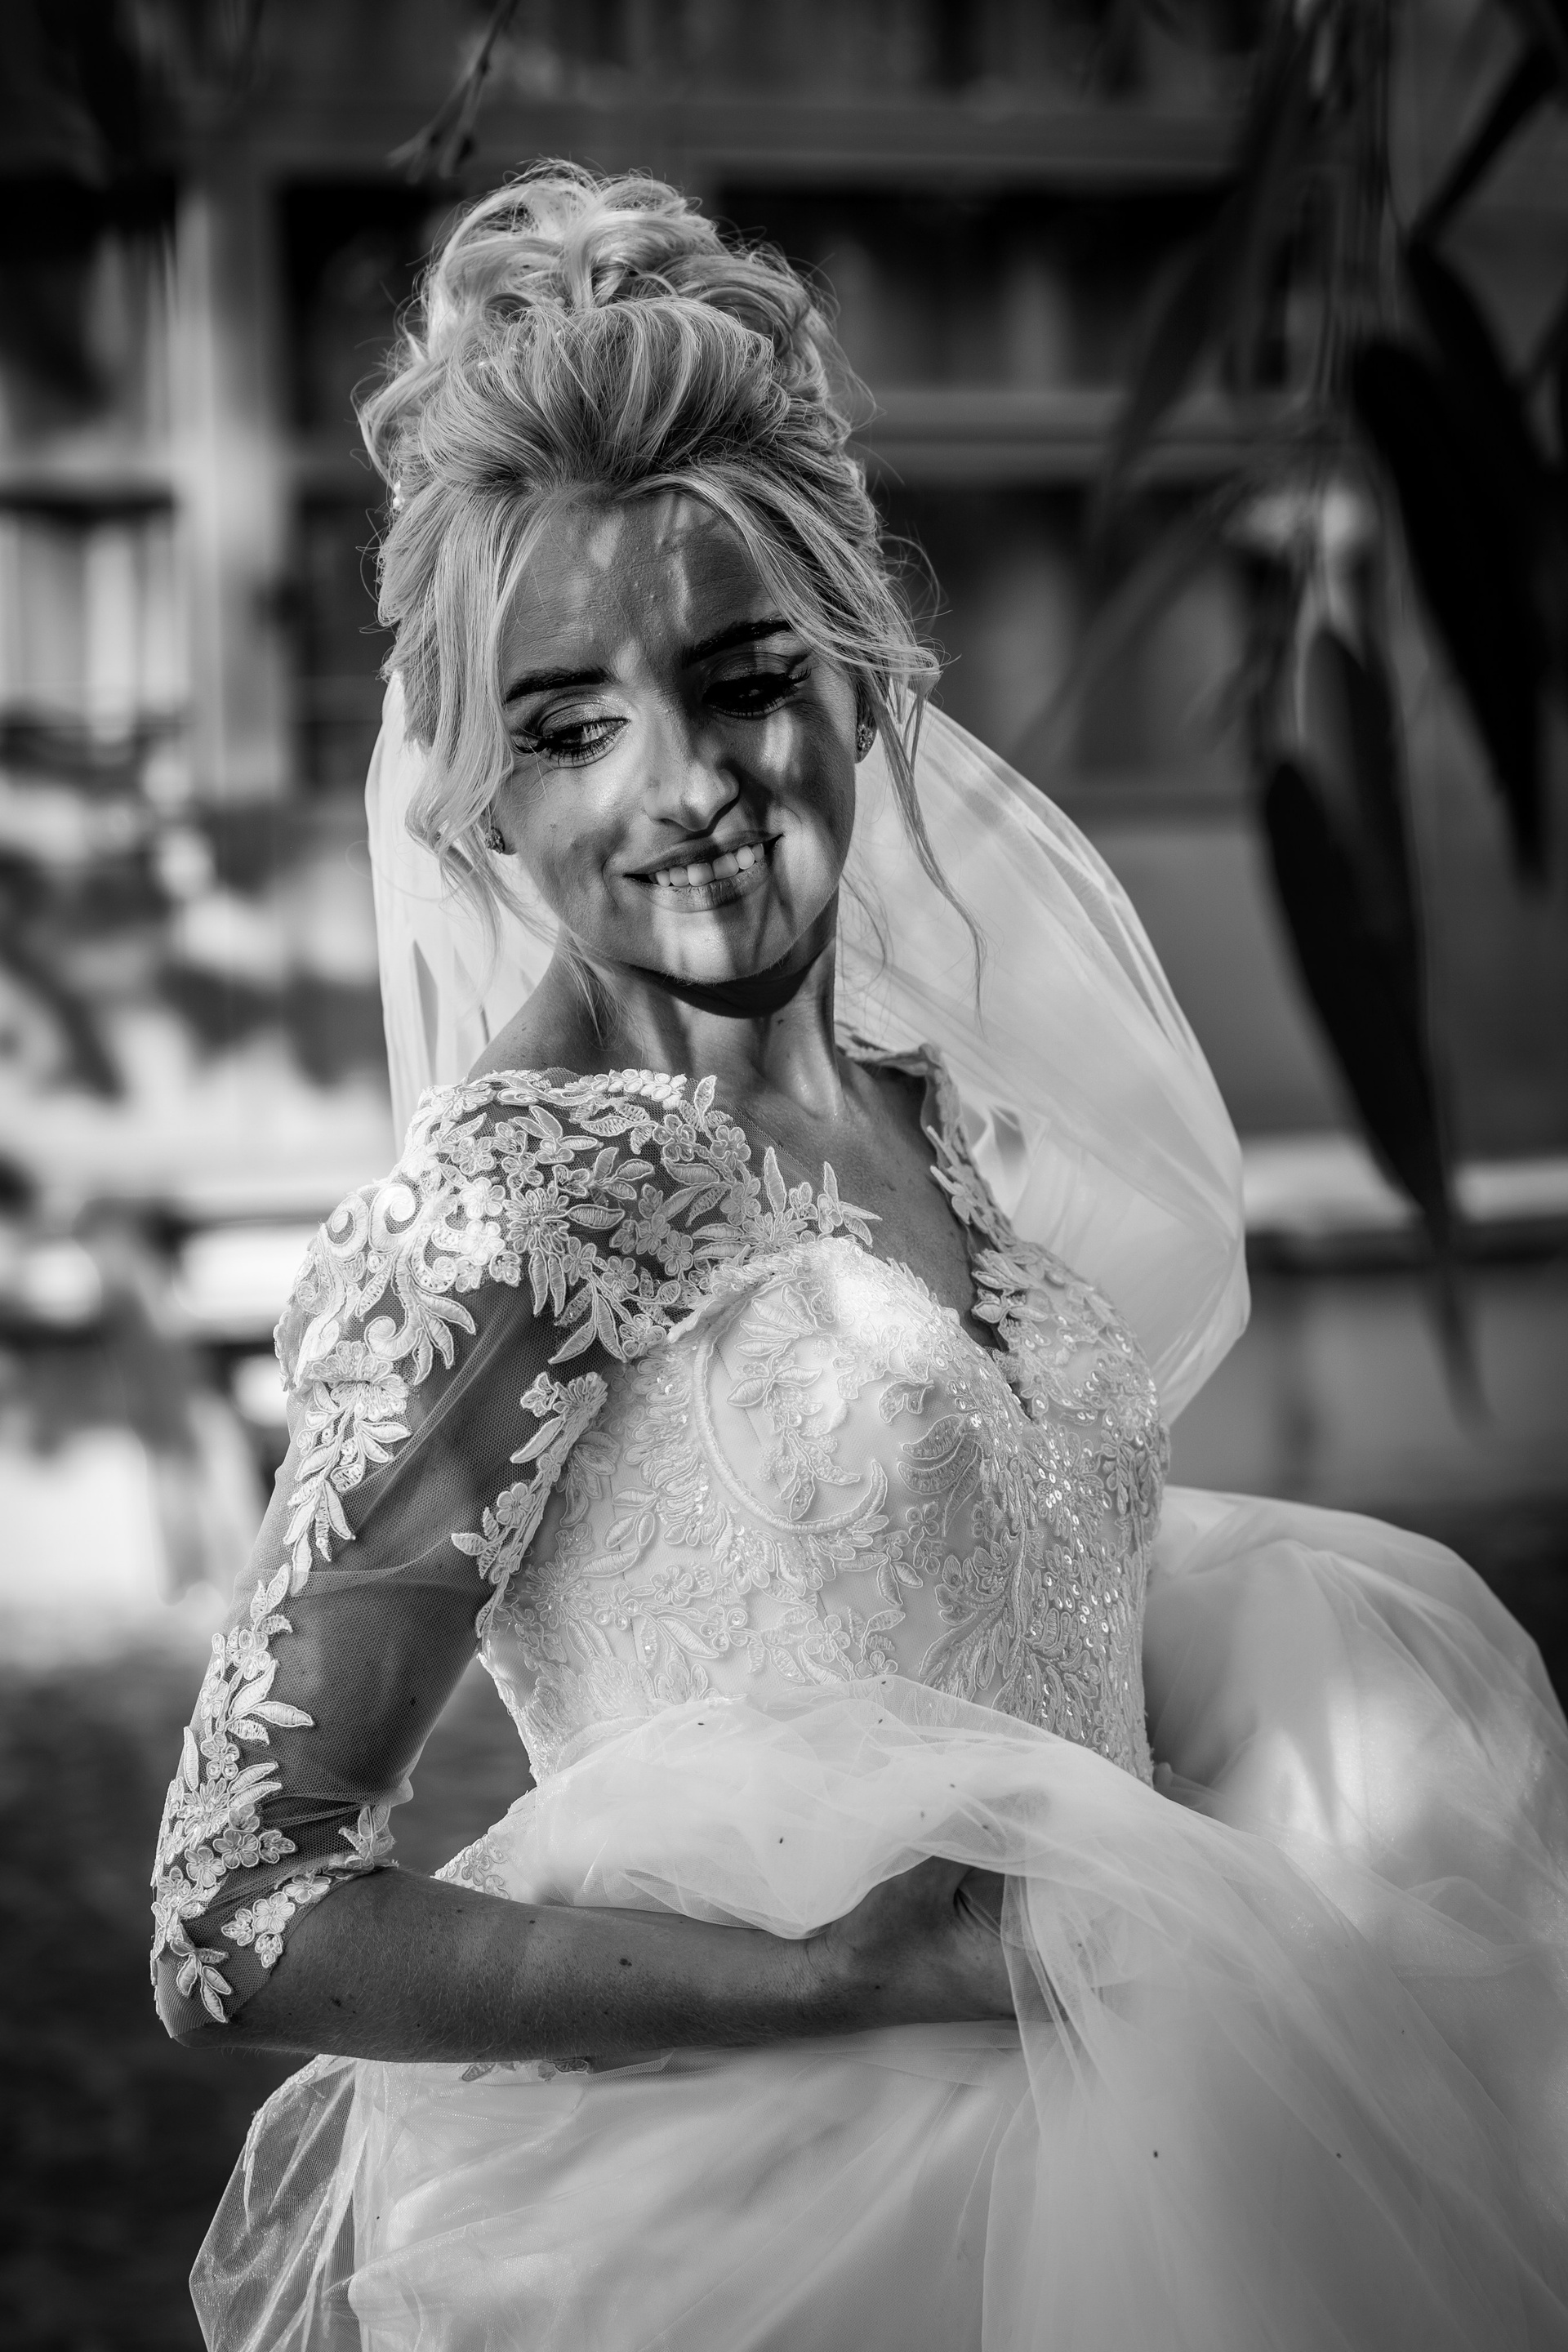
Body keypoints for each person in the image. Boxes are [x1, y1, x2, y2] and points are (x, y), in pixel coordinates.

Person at [153, 167, 1568, 2351]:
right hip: (781, 2231)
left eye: (741, 682)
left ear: (864, 680)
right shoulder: (522, 1208)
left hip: (1163, 2148)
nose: (682, 790)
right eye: (568, 729)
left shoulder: (928, 1114)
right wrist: (838, 1977)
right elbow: (237, 1905)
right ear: (478, 801)